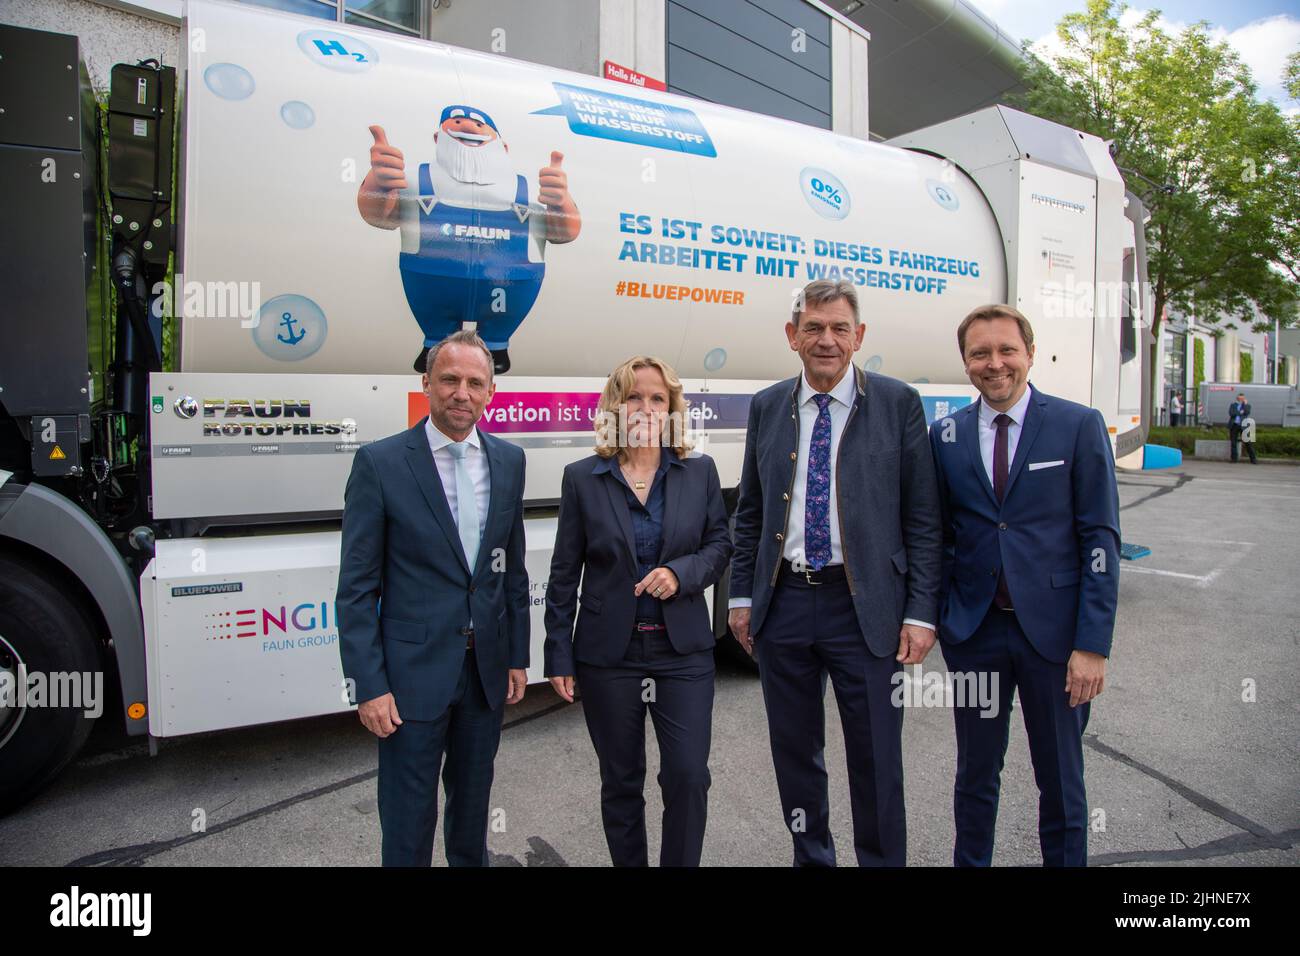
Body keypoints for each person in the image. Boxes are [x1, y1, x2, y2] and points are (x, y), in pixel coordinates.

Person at [728, 279, 942, 867]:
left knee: (876, 759)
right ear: (792, 335)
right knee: (795, 755)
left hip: (866, 609)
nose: (827, 340)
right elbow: (750, 512)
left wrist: (921, 612)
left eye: (839, 328)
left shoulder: (898, 404)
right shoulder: (768, 405)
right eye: (814, 328)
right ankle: (812, 858)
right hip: (786, 605)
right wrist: (740, 599)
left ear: (859, 337)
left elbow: (923, 519)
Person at [929, 304, 1120, 867]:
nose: (995, 364)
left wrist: (1092, 644)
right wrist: (944, 615)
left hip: (1057, 642)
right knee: (975, 778)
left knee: (1061, 783)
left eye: (1006, 350)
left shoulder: (1077, 425)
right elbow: (938, 535)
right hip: (975, 634)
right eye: (980, 353)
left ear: (1030, 354)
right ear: (965, 363)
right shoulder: (946, 435)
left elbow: (1100, 542)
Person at [337, 329, 530, 867]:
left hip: (485, 675)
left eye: (474, 382)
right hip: (409, 680)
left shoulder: (509, 462)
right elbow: (356, 589)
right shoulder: (381, 464)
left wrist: (517, 656)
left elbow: (511, 571)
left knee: (472, 816)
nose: (461, 393)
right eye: (449, 379)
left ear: (491, 392)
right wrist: (369, 685)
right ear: (426, 383)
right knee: (407, 821)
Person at [544, 356, 732, 867]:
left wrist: (681, 574)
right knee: (621, 781)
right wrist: (558, 654)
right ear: (615, 407)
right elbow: (564, 574)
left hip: (682, 653)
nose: (645, 408)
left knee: (689, 775)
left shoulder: (699, 472)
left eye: (657, 398)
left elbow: (720, 546)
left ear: (672, 408)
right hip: (610, 657)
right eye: (633, 397)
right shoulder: (583, 478)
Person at [358, 106, 582, 373]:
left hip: (512, 282)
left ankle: (496, 347)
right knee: (434, 320)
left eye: (479, 124)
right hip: (429, 278)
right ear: (437, 138)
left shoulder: (533, 188)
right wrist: (379, 183)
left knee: (500, 327)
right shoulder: (415, 178)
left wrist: (560, 202)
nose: (467, 127)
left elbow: (564, 232)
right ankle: (435, 343)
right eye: (457, 121)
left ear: (504, 146)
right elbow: (380, 215)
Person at [1228, 393, 1256, 464]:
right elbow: (1231, 413)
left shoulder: (1247, 405)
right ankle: (1234, 459)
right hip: (1234, 425)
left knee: (1248, 443)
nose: (1241, 400)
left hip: (1244, 426)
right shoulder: (1233, 405)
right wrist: (1240, 412)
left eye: (1242, 399)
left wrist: (1245, 405)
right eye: (1239, 398)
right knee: (1233, 443)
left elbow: (1247, 412)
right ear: (1237, 398)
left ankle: (1253, 459)